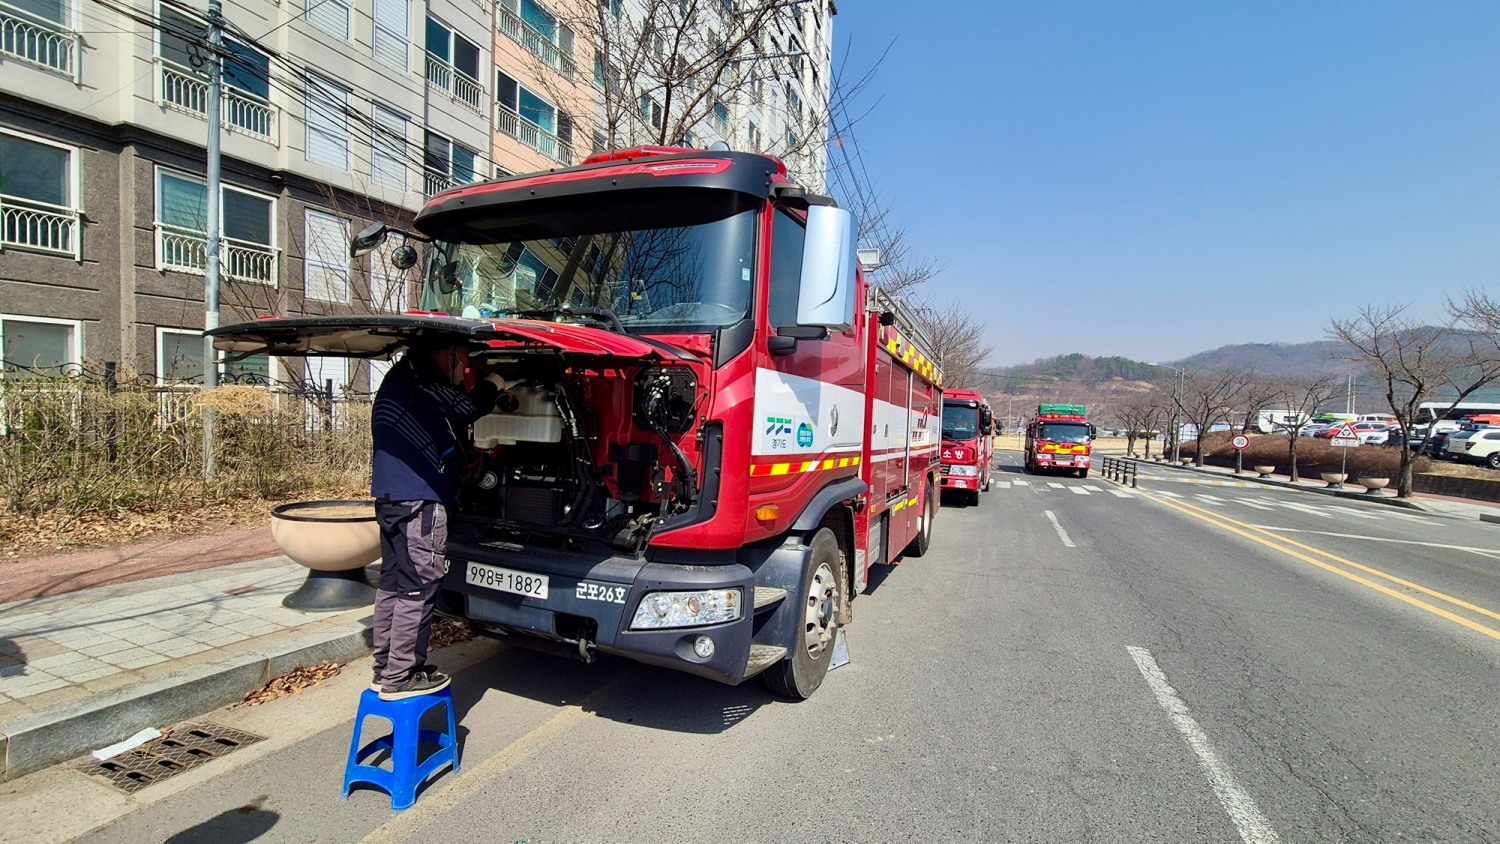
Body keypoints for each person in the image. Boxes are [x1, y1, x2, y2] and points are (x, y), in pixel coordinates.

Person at [370, 341, 502, 700]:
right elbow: (466, 408)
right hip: (419, 500)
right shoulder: (424, 377)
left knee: (395, 581)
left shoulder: (403, 377)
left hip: (391, 496)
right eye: (465, 359)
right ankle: (402, 675)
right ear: (450, 353)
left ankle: (385, 666)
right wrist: (492, 382)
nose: (465, 368)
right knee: (419, 584)